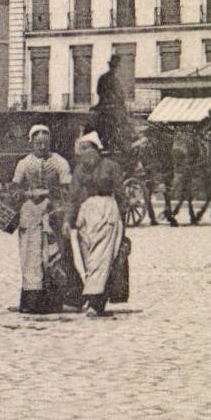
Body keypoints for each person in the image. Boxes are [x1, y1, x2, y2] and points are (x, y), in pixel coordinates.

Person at [11, 123, 72, 315]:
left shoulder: (59, 162)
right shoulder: (24, 163)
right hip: (29, 215)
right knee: (30, 256)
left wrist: (47, 193)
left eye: (45, 143)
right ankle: (31, 301)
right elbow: (14, 187)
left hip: (52, 213)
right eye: (38, 143)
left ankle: (53, 301)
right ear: (31, 143)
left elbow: (66, 188)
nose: (42, 147)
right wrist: (25, 193)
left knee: (52, 255)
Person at [66, 132, 127, 316]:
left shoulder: (110, 166)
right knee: (87, 257)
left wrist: (123, 219)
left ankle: (96, 302)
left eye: (87, 148)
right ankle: (88, 297)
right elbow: (73, 195)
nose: (84, 153)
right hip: (86, 213)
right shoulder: (79, 170)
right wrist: (69, 219)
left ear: (96, 149)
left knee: (102, 258)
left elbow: (121, 192)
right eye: (81, 149)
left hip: (107, 210)